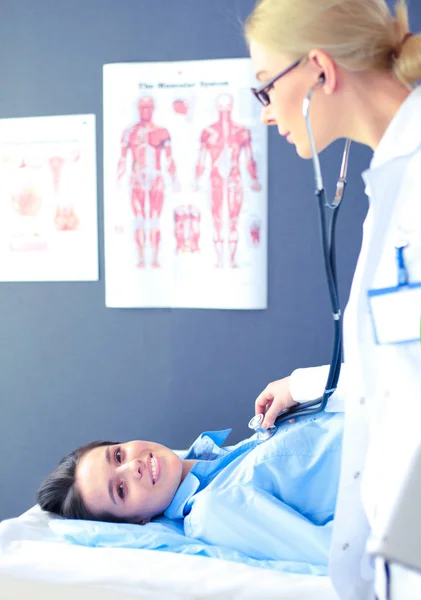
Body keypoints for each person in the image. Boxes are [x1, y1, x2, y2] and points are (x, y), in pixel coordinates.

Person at [244, 0, 421, 598]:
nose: (266, 116)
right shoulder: (392, 187)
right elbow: (397, 369)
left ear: (319, 70)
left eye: (264, 89)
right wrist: (302, 385)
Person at [37, 411, 344, 573]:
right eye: (121, 489)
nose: (133, 467)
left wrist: (303, 390)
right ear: (136, 521)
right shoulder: (214, 510)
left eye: (118, 455)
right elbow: (335, 553)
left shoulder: (225, 456)